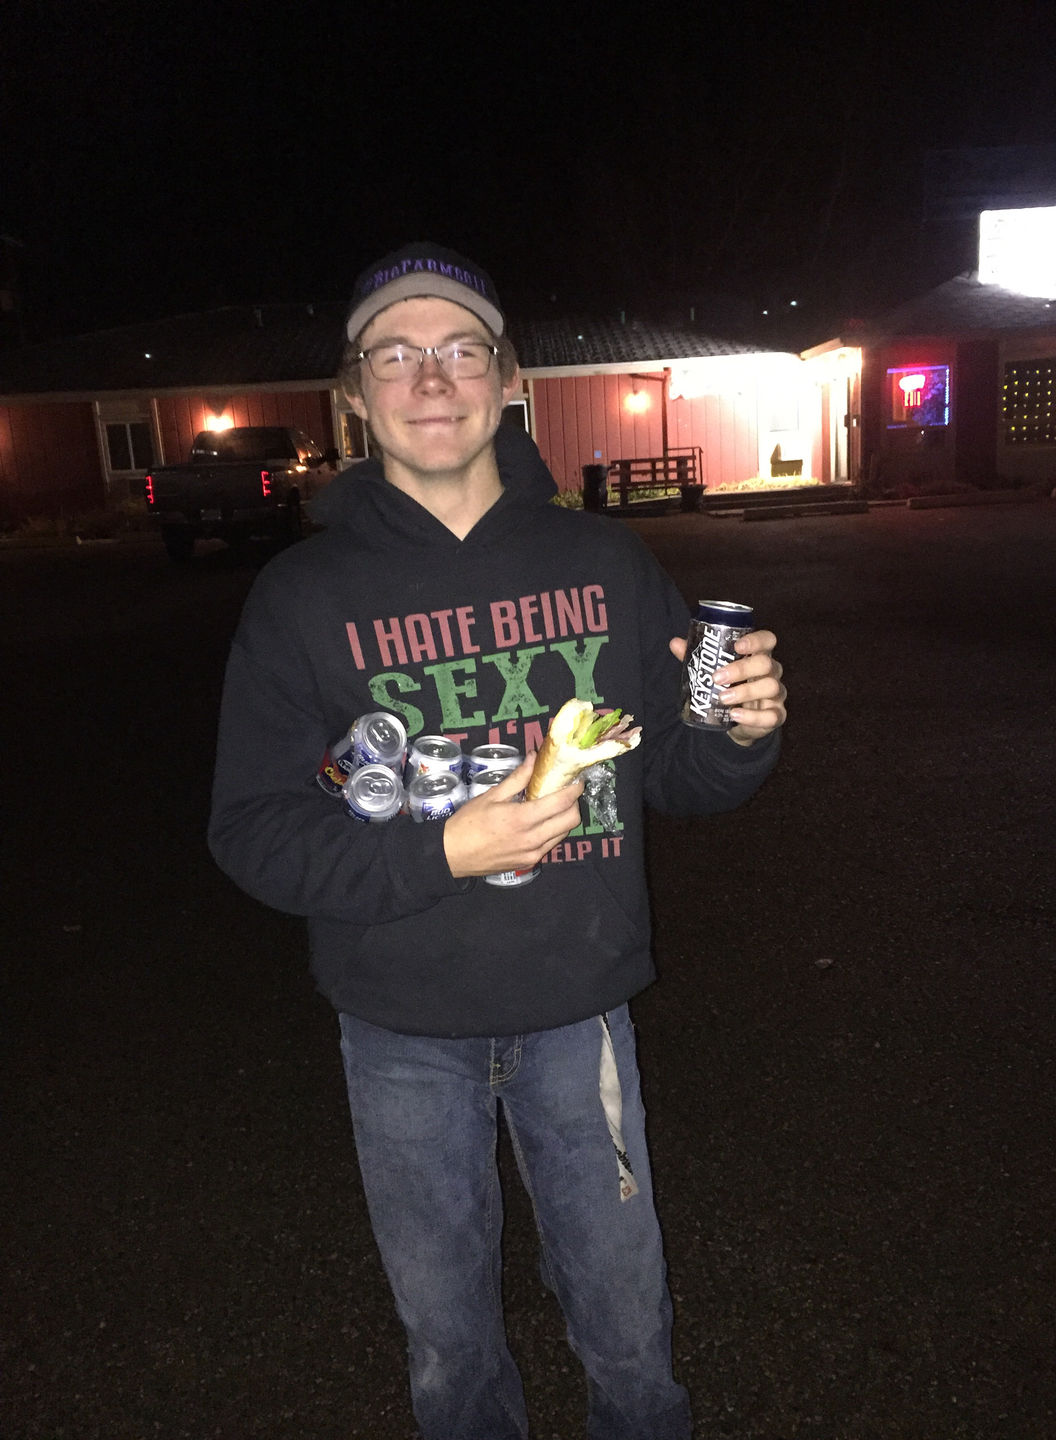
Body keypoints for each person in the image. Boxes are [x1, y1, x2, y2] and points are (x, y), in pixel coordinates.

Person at [208, 241, 787, 1440]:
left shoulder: (602, 561)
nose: (432, 378)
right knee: (449, 1350)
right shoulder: (300, 598)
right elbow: (254, 831)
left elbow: (677, 775)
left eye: (461, 349)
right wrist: (439, 854)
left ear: (509, 378)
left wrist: (738, 731)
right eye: (395, 355)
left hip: (580, 1012)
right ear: (355, 394)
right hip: (399, 1027)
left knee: (630, 1334)